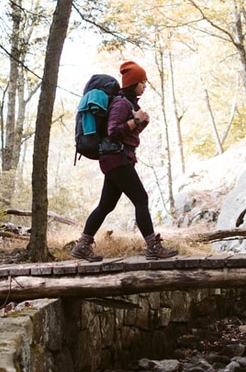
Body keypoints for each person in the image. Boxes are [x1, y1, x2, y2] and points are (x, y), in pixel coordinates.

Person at [71, 61, 179, 262]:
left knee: (106, 205)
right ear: (133, 83)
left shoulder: (130, 104)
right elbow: (113, 132)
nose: (145, 85)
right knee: (141, 199)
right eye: (142, 82)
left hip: (117, 158)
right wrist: (136, 120)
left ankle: (82, 245)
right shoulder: (121, 103)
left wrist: (141, 122)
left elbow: (127, 135)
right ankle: (153, 246)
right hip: (116, 159)